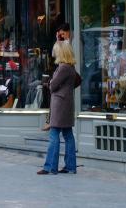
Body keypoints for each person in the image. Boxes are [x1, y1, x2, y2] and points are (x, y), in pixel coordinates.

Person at [38, 41, 77, 175]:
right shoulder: (71, 67)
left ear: (61, 52)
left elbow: (53, 85)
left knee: (54, 134)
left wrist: (48, 82)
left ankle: (50, 167)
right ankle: (70, 166)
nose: (54, 54)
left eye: (56, 51)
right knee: (68, 134)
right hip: (67, 103)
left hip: (60, 104)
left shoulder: (63, 67)